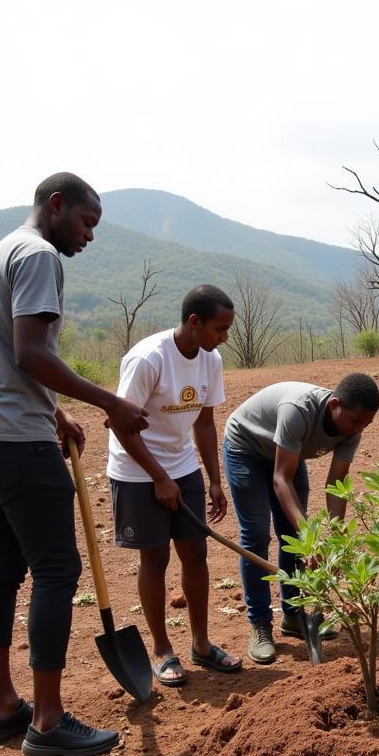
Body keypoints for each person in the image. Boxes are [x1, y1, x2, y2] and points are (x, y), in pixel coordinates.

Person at [0, 172, 150, 756]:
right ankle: (48, 720)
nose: (89, 236)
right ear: (56, 205)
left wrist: (55, 411)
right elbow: (31, 352)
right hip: (14, 442)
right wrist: (110, 402)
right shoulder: (39, 255)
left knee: (3, 566)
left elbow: (4, 358)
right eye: (86, 222)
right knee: (57, 570)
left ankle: (1, 707)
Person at [106, 285, 241, 688]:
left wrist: (214, 479)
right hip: (136, 467)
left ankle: (201, 643)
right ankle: (162, 650)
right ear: (194, 322)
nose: (225, 338)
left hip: (181, 465)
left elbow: (203, 421)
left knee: (196, 552)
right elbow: (118, 422)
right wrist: (158, 478)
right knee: (156, 558)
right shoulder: (149, 358)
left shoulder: (210, 360)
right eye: (220, 329)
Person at [223, 374, 379, 664]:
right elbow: (281, 480)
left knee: (293, 538)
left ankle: (293, 615)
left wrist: (334, 541)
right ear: (334, 405)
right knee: (256, 534)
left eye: (365, 424)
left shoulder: (353, 431)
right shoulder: (299, 410)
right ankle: (260, 624)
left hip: (286, 452)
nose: (358, 429)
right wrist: (312, 538)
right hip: (247, 446)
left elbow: (336, 483)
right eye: (355, 421)